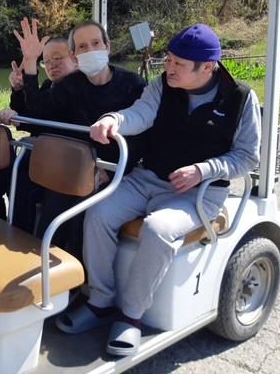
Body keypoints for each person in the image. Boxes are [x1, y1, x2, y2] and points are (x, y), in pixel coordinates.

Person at [55, 24, 261, 357]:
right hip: (147, 178)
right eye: (168, 60)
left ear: (208, 67)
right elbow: (140, 114)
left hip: (201, 192)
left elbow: (247, 156)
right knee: (98, 213)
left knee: (157, 229)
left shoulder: (240, 99)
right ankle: (101, 301)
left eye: (179, 63)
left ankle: (131, 315)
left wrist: (203, 170)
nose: (169, 68)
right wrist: (114, 120)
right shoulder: (163, 85)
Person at [0, 19, 146, 259]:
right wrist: (31, 62)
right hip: (77, 168)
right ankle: (40, 262)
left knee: (81, 214)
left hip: (115, 170)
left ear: (108, 46)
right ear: (75, 55)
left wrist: (110, 172)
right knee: (54, 202)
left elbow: (143, 136)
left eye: (95, 43)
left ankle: (77, 272)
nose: (90, 50)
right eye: (82, 47)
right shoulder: (71, 85)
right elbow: (38, 108)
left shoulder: (133, 85)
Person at [0, 19, 76, 227]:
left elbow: (41, 115)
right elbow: (32, 115)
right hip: (39, 154)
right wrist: (18, 90)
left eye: (58, 58)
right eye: (47, 61)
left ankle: (19, 236)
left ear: (75, 59)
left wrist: (30, 71)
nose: (52, 64)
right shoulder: (49, 85)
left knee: (22, 185)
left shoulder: (76, 87)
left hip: (61, 161)